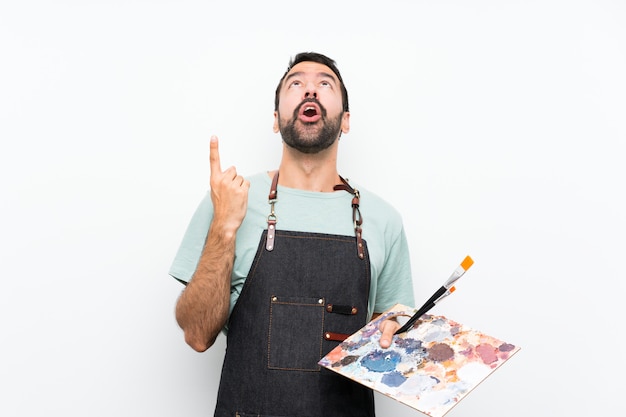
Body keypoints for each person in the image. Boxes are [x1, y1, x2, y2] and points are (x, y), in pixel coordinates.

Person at [170, 52, 415, 417]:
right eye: (296, 83)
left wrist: (394, 334)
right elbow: (197, 334)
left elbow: (392, 338)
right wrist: (224, 227)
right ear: (275, 119)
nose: (310, 90)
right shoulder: (230, 197)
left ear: (346, 121)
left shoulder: (383, 219)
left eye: (324, 84)